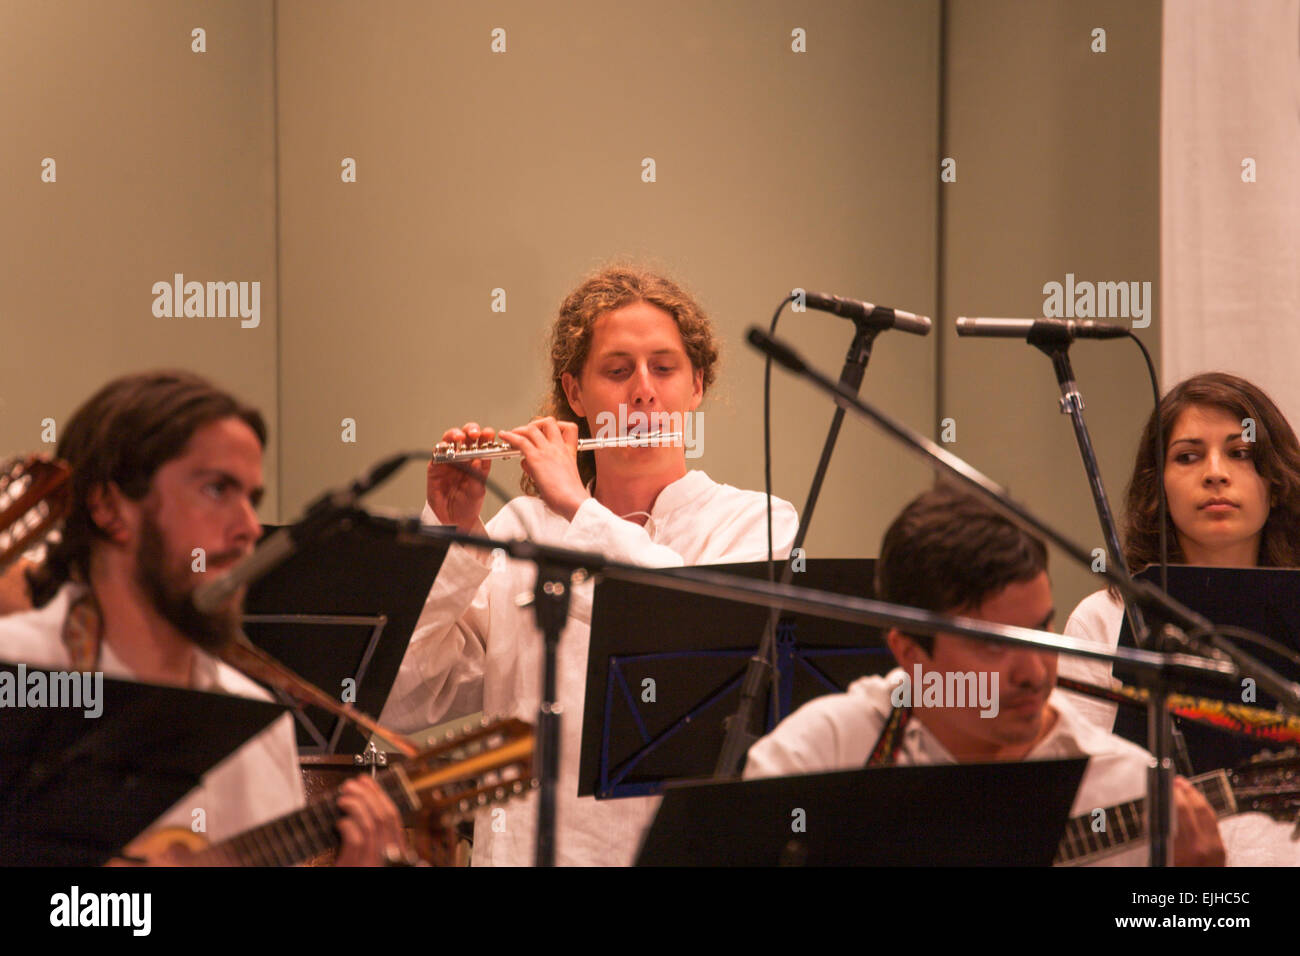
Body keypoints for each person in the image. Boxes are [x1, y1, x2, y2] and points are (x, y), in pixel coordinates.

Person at [380, 265, 799, 865]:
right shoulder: (520, 529)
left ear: (697, 386)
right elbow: (403, 699)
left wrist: (578, 506)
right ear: (576, 394)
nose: (643, 391)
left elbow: (682, 625)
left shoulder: (756, 521)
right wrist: (454, 535)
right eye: (617, 370)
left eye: (664, 367)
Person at [1, 371, 404, 865]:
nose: (250, 528)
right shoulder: (18, 669)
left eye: (251, 499)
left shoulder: (253, 723)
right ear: (107, 506)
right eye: (217, 490)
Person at [744, 485, 1226, 866]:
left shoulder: (1125, 786)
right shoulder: (818, 756)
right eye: (995, 644)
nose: (1034, 670)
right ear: (909, 651)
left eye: (1042, 629)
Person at [1056, 370, 1300, 865]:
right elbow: (1077, 803)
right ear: (1158, 487)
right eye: (1187, 456)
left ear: (1275, 483)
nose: (1215, 472)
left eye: (1241, 453)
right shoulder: (1101, 621)